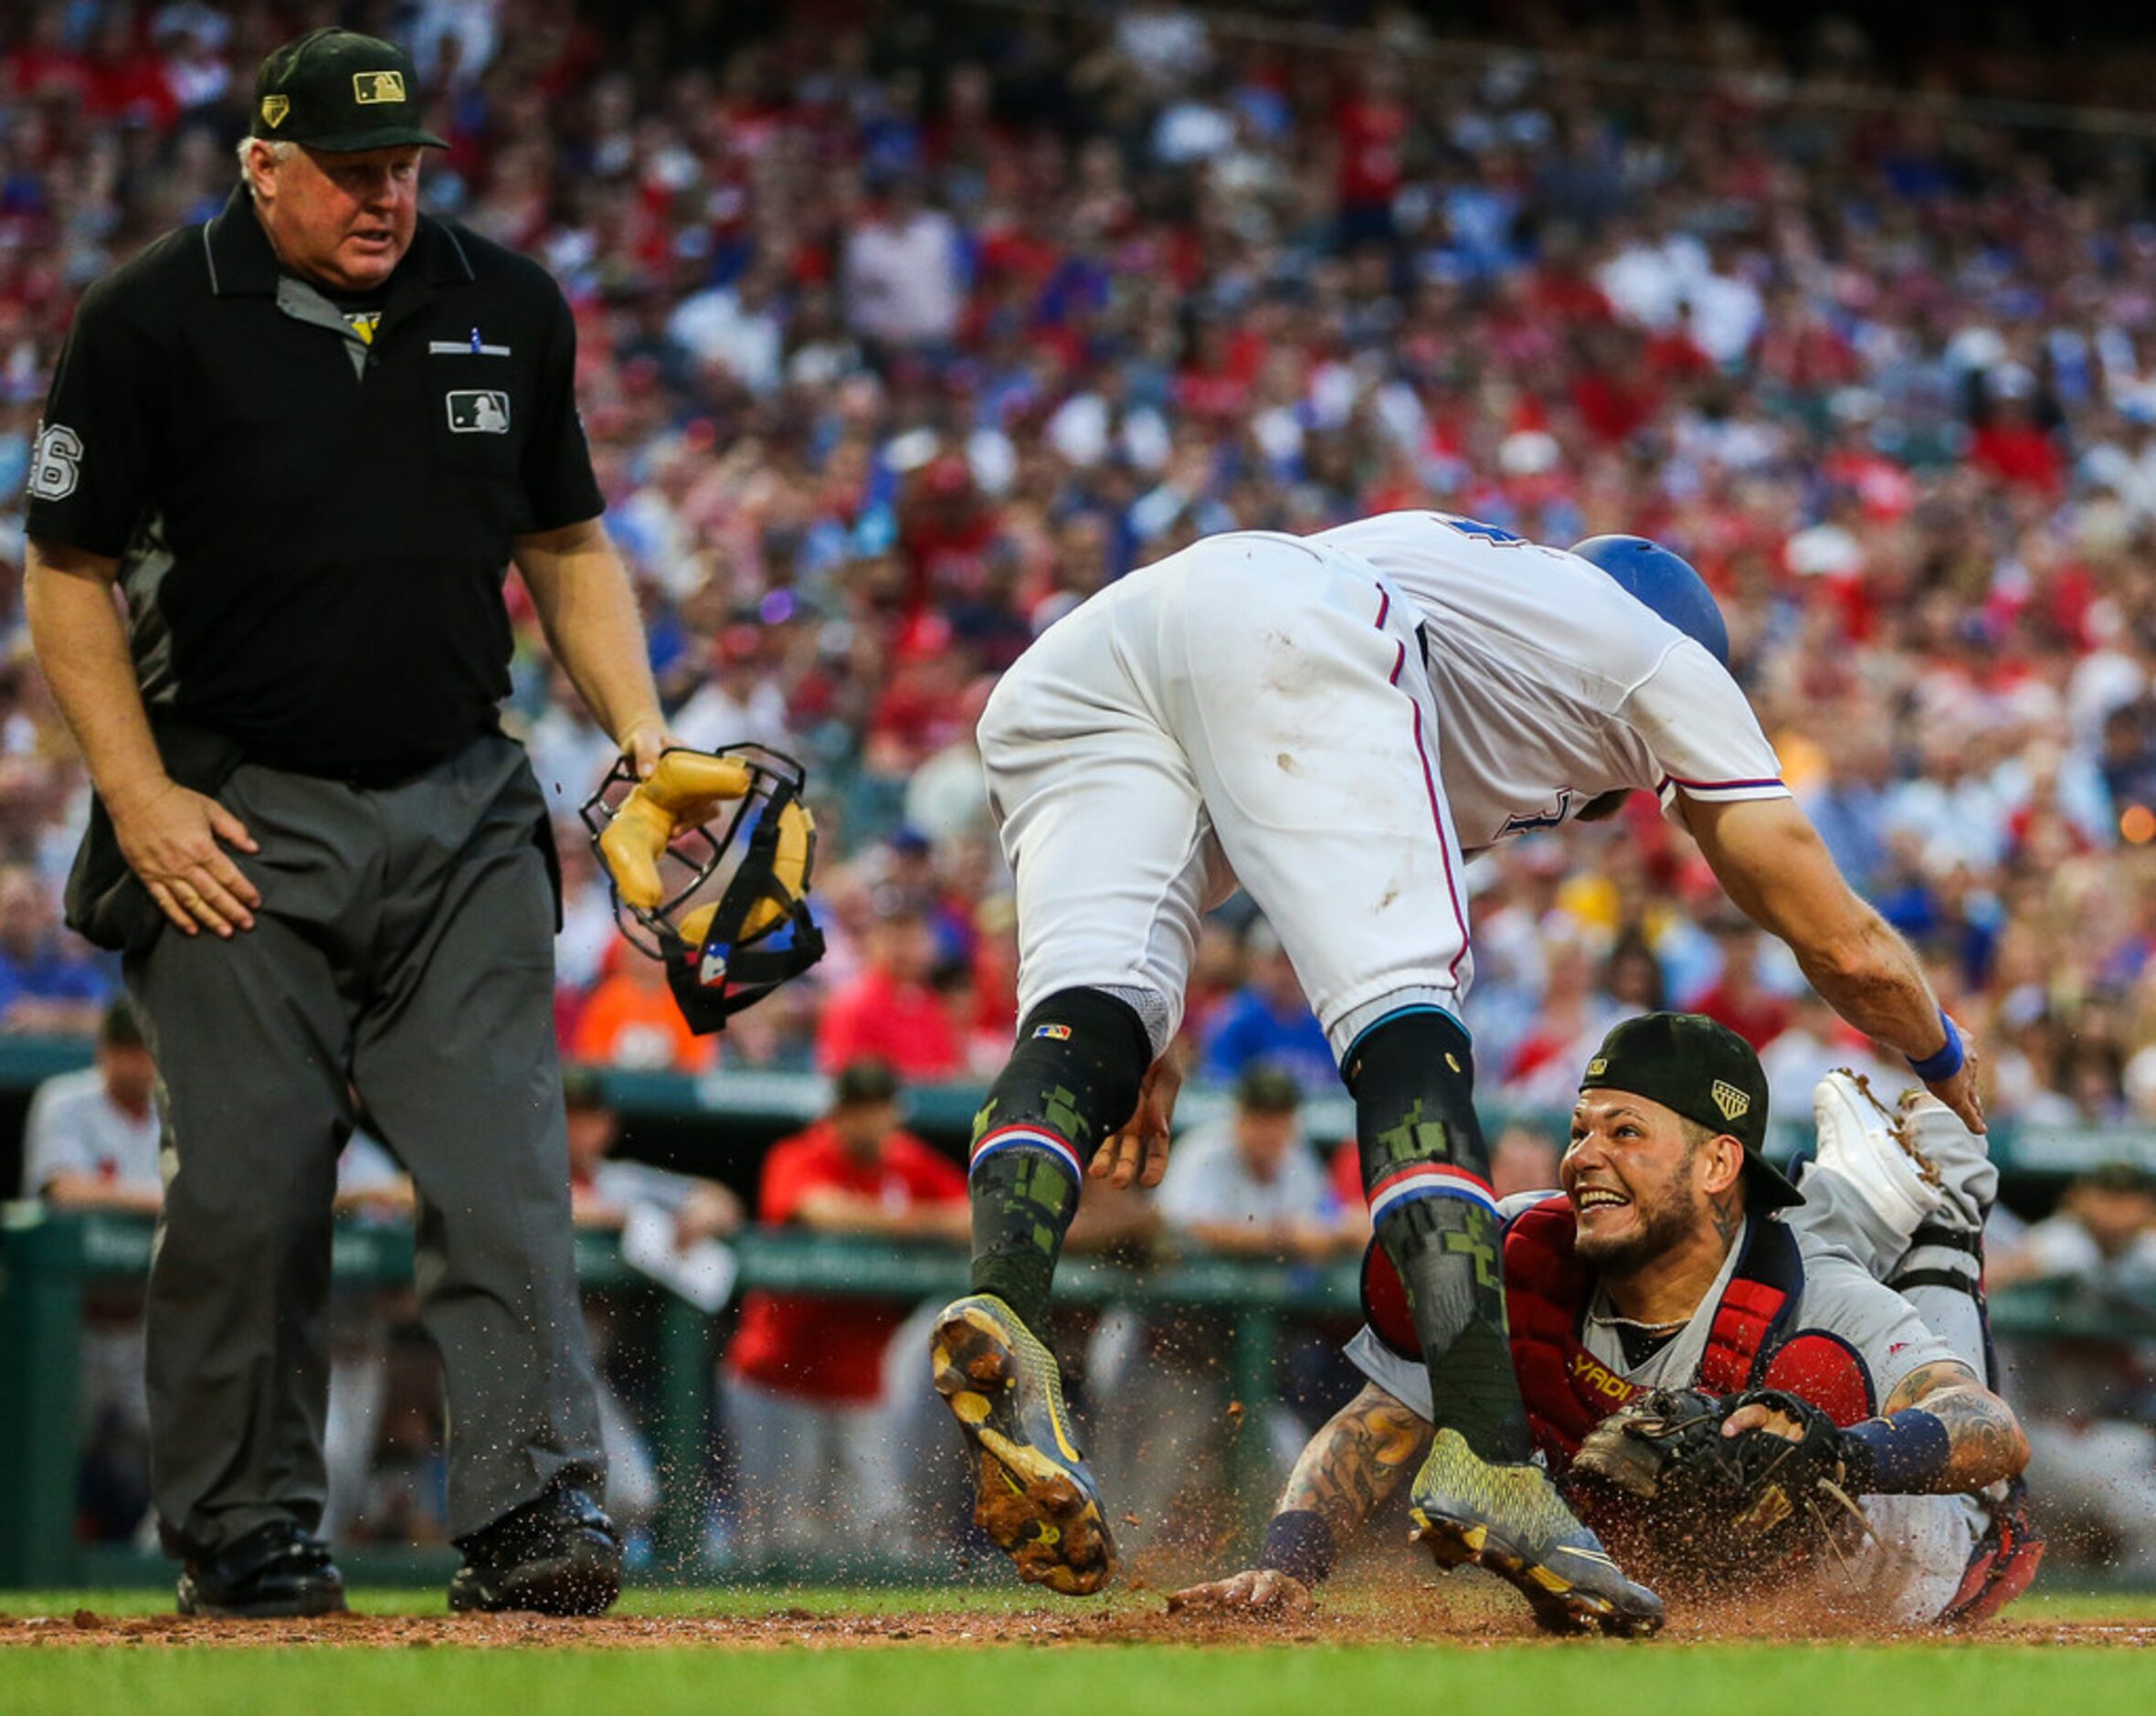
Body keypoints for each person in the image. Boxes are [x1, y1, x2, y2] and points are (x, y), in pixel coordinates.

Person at [923, 513, 1982, 1632]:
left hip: (1090, 653)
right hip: (1291, 614)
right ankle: (1487, 1457)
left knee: (1091, 1015)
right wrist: (1943, 1056)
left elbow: (1228, 694)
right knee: (1403, 1017)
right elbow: (1837, 938)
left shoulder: (1477, 594)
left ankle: (1005, 1308)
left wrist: (1159, 1030)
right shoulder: (1653, 653)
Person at [23, 29, 670, 1618]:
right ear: (264, 163)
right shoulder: (152, 317)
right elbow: (66, 572)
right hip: (238, 817)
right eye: (352, 168)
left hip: (460, 804)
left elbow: (568, 540)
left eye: (405, 168)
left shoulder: (506, 303)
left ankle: (535, 1510)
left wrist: (644, 735)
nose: (387, 195)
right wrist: (140, 798)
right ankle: (246, 1532)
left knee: (507, 1175)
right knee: (248, 1193)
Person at [1171, 1015, 2035, 1628]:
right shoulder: (1522, 1254)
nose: (1584, 1154)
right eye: (1581, 1129)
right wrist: (1286, 1565)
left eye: (1625, 1131)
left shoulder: (1823, 1300)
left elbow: (1991, 1431)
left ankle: (1948, 1200)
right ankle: (1850, 1186)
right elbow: (1377, 1423)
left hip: (1918, 1562)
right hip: (1690, 1563)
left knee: (1850, 1351)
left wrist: (1843, 1452)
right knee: (1734, 1249)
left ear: (1718, 1159)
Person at [722, 1059, 967, 1562]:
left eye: (880, 1110)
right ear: (838, 1113)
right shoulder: (800, 1153)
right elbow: (818, 1209)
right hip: (779, 1375)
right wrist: (916, 1224)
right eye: (860, 1110)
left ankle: (872, 1639)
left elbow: (971, 1215)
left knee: (880, 1532)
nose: (871, 1122)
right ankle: (753, 1639)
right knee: (779, 1537)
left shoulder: (906, 1161)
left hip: (860, 1382)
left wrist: (897, 1221)